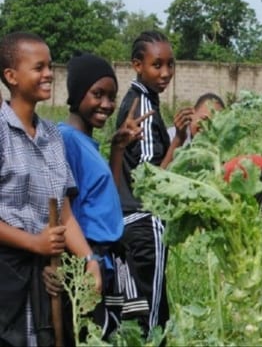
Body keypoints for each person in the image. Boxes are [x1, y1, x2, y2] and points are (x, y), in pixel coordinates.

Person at [0, 32, 101, 346]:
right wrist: (33, 242)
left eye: (50, 66)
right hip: (6, 276)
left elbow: (65, 214)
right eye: (38, 67)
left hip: (46, 276)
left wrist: (89, 260)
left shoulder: (52, 136)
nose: (48, 74)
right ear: (11, 76)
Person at [42, 53, 152, 342]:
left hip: (105, 262)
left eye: (112, 96)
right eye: (97, 94)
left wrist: (117, 150)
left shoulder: (86, 142)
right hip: (87, 262)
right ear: (77, 94)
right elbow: (61, 212)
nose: (106, 104)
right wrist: (83, 261)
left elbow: (105, 201)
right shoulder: (66, 141)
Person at [111, 31, 193, 336]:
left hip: (131, 225)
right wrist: (179, 141)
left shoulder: (142, 101)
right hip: (145, 224)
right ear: (137, 65)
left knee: (139, 313)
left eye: (170, 65)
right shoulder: (142, 108)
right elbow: (150, 181)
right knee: (153, 317)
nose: (166, 73)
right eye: (157, 65)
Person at [167, 92, 262, 206]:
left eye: (214, 125)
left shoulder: (219, 144)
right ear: (192, 114)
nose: (207, 127)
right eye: (204, 119)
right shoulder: (172, 136)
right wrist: (178, 140)